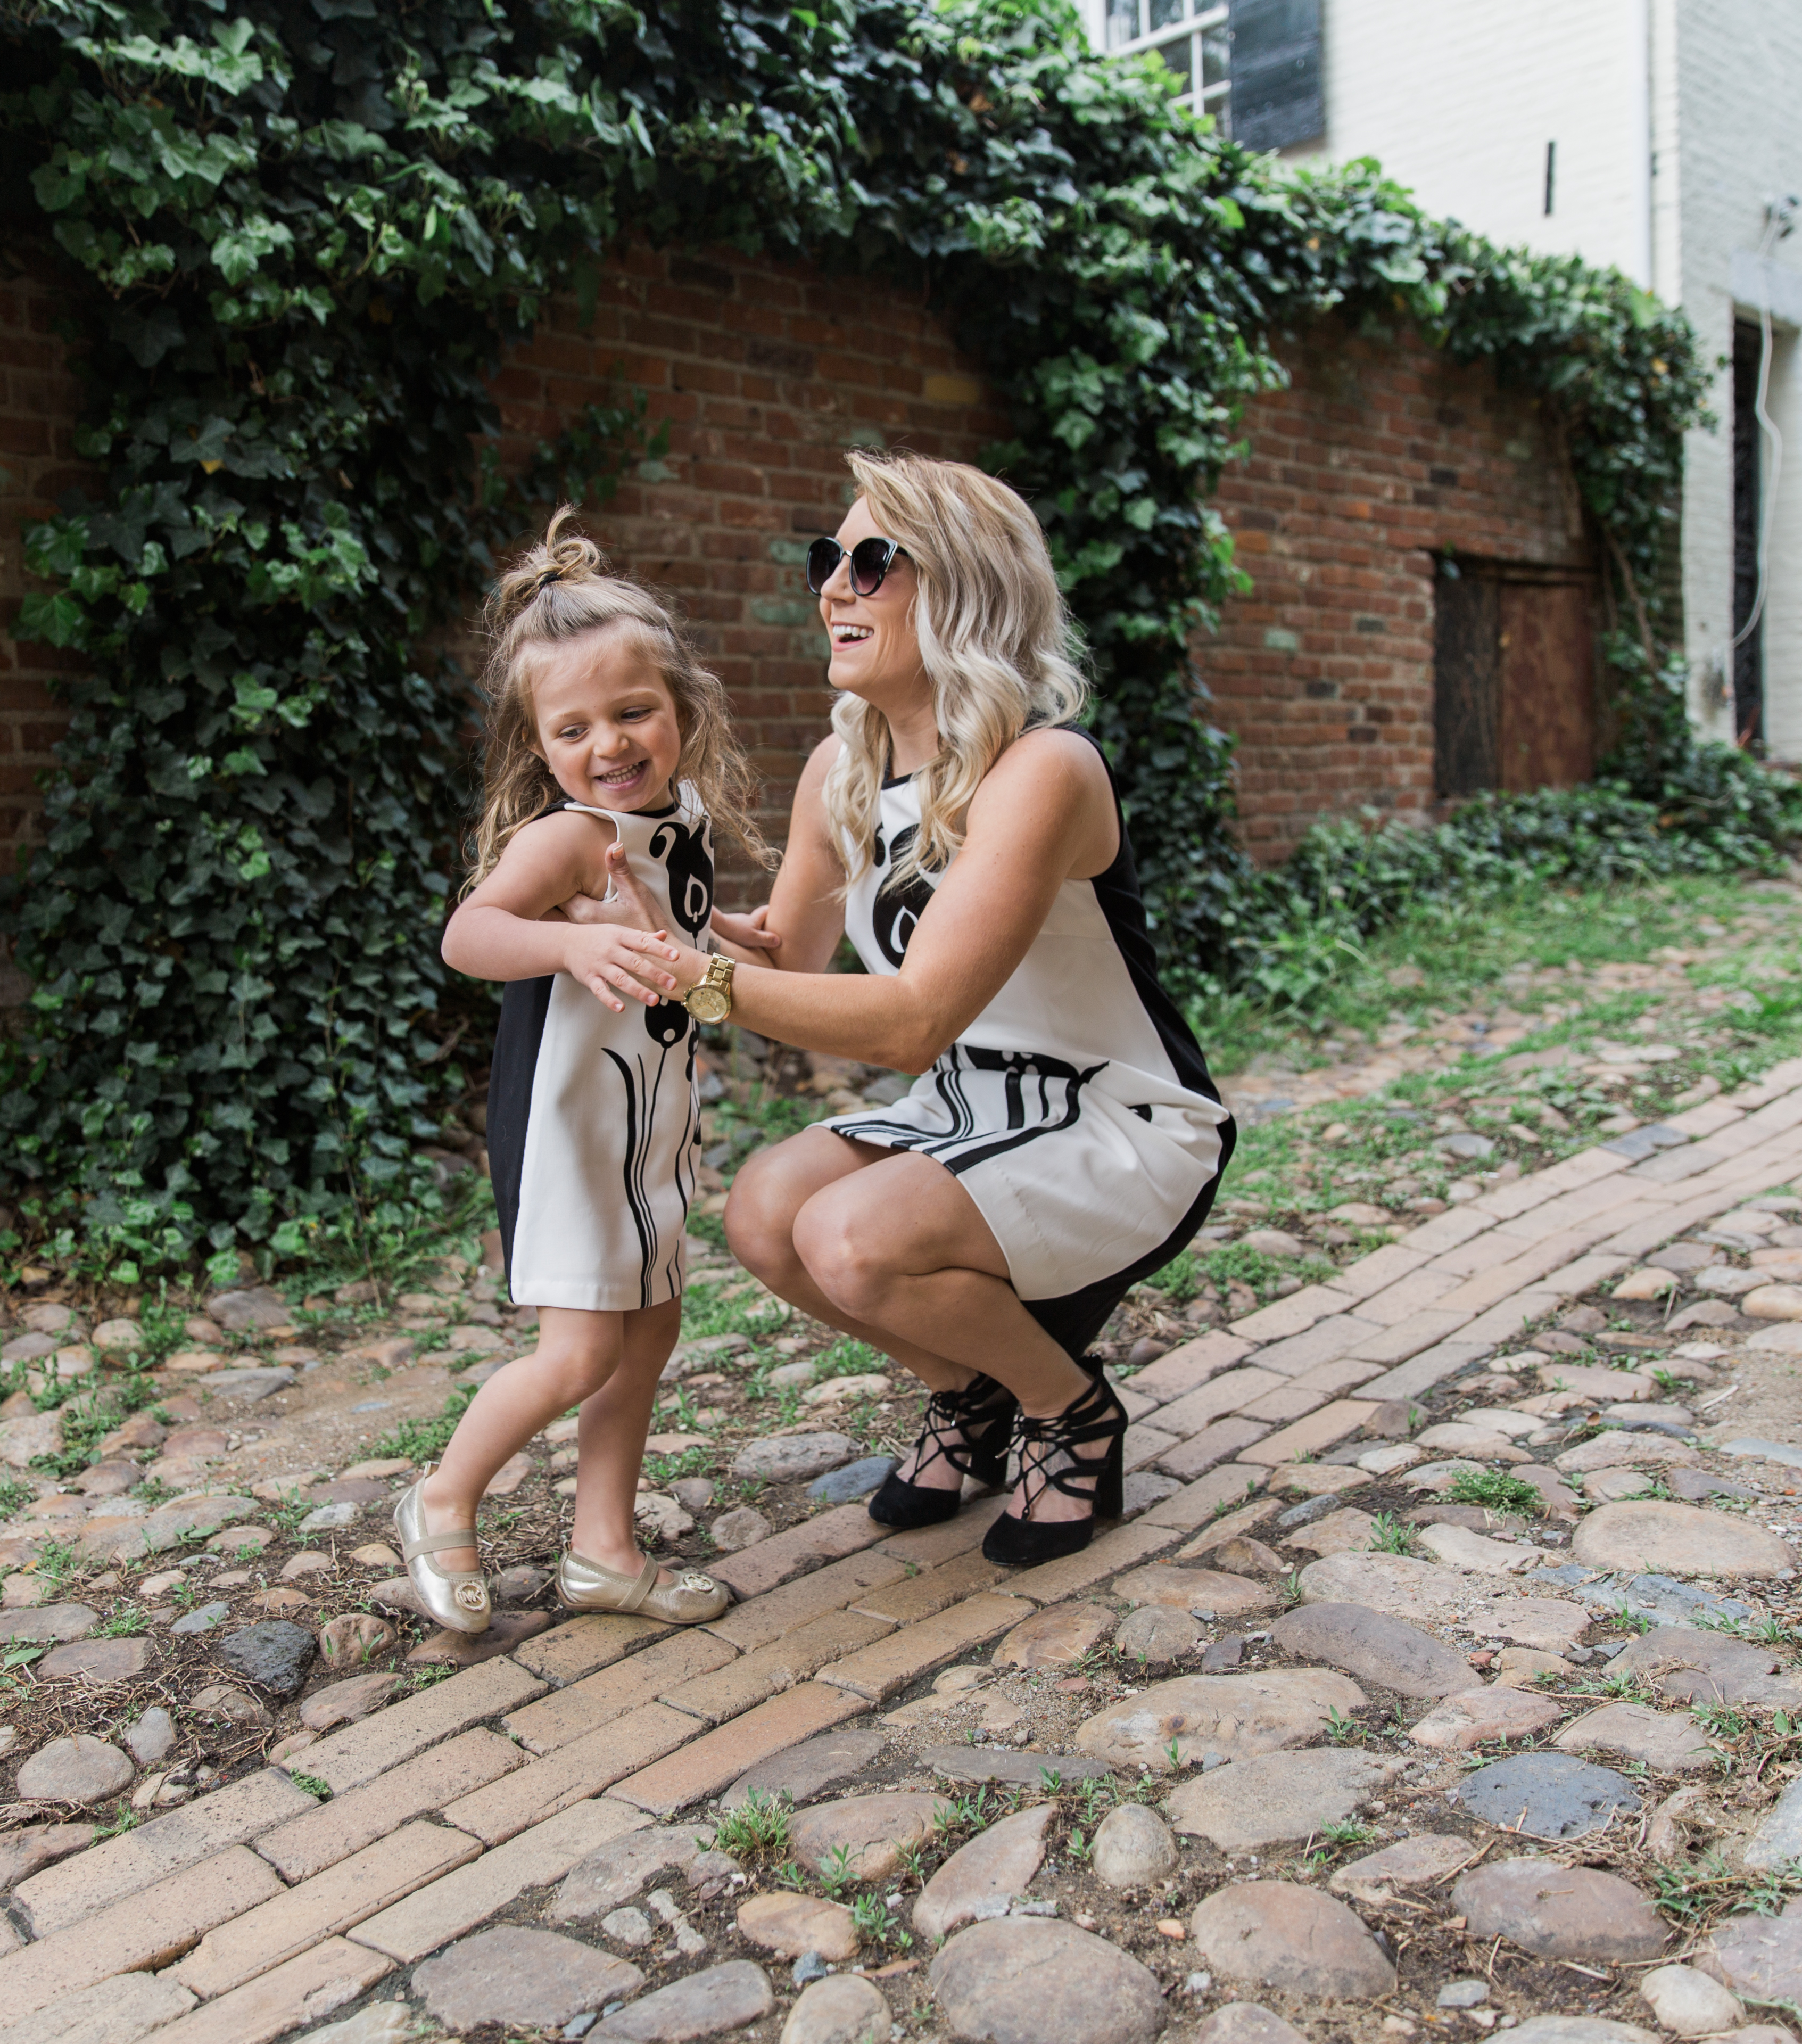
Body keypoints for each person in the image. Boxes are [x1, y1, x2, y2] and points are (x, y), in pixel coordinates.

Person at [673, 449, 1233, 1565]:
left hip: (1111, 1120)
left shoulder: (1044, 769)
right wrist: (644, 905)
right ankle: (973, 1393)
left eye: (872, 561)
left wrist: (700, 984)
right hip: (968, 1108)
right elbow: (789, 949)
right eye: (826, 558)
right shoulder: (844, 767)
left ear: (966, 587)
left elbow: (911, 1019)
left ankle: (1069, 1410)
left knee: (849, 1235)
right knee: (763, 1212)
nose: (833, 586)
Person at [395, 514, 771, 1633]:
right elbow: (469, 936)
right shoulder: (567, 839)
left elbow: (673, 927)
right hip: (566, 1132)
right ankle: (442, 1498)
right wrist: (566, 942)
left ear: (683, 710)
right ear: (543, 748)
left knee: (649, 1329)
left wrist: (732, 934)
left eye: (633, 712)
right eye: (575, 728)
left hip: (649, 1126)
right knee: (578, 1350)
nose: (609, 744)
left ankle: (603, 1551)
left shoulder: (679, 820)